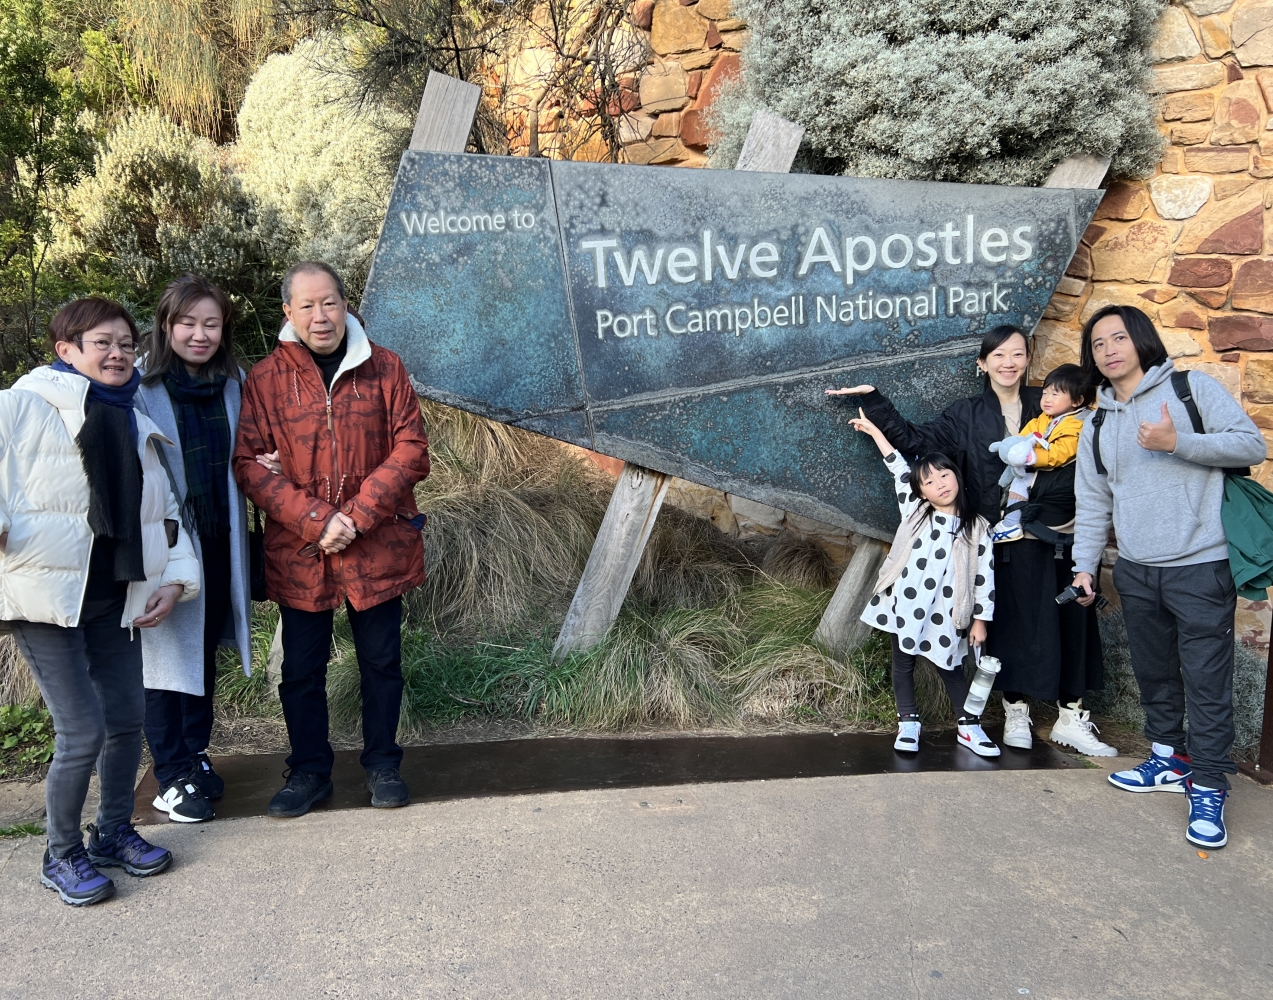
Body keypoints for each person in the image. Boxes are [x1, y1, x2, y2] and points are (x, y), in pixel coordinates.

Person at [0, 298, 201, 906]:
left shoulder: (133, 418)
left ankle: (112, 831)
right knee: (82, 729)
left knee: (127, 718)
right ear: (66, 350)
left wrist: (175, 579)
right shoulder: (22, 405)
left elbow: (165, 511)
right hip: (46, 598)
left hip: (114, 592)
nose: (118, 354)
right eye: (102, 343)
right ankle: (61, 853)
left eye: (126, 344)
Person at [827, 326, 1108, 755]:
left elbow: (1086, 459)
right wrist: (876, 401)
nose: (1008, 363)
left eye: (1017, 353)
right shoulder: (966, 413)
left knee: (1068, 622)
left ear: (1028, 358)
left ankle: (1071, 716)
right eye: (998, 355)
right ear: (982, 363)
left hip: (1052, 533)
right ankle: (1016, 713)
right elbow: (915, 444)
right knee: (1007, 626)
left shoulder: (1051, 402)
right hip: (993, 538)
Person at [232, 261, 430, 818]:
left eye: (329, 303)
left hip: (377, 544)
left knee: (381, 663)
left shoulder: (385, 367)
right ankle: (309, 772)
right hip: (302, 551)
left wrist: (358, 516)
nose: (320, 316)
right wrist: (318, 521)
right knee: (300, 671)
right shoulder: (266, 379)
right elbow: (249, 464)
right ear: (288, 312)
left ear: (345, 305)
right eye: (307, 305)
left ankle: (384, 764)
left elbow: (412, 449)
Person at [1072, 304, 1266, 850]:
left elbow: (1251, 445)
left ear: (1140, 339)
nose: (1108, 350)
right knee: (1154, 672)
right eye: (1097, 344)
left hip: (1201, 566)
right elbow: (1093, 502)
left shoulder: (1190, 389)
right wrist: (1085, 566)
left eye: (1118, 338)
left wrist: (1177, 442)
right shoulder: (1098, 423)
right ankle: (1168, 757)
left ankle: (1208, 783)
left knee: (1206, 681)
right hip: (1137, 570)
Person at [137, 274, 253, 823]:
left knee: (201, 651)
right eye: (187, 323)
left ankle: (194, 752)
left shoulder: (233, 383)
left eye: (211, 323)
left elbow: (249, 451)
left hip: (219, 538)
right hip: (163, 544)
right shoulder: (139, 387)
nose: (199, 334)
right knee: (163, 657)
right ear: (166, 325)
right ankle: (169, 774)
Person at [848, 409, 999, 757]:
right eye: (929, 482)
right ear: (921, 491)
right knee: (903, 664)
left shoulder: (977, 527)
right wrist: (875, 432)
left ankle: (969, 727)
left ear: (956, 476)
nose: (940, 484)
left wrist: (980, 620)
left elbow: (984, 576)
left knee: (951, 667)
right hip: (906, 603)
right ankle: (908, 722)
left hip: (948, 611)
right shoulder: (916, 511)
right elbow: (898, 466)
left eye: (944, 475)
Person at [988, 363, 1092, 544]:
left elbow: (1059, 453)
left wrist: (1031, 457)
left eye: (1055, 394)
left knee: (1020, 481)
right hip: (1041, 470)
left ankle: (1011, 523)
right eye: (1045, 393)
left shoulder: (1078, 424)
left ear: (1076, 401)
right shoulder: (1047, 417)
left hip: (1055, 475)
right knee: (1016, 477)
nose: (1046, 399)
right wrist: (1015, 446)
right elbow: (1027, 433)